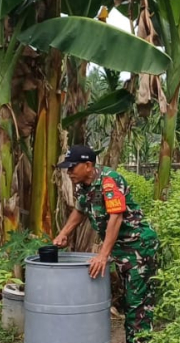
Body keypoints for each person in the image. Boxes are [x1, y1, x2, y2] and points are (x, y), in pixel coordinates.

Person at [53, 145, 159, 343]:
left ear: (88, 165)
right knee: (130, 302)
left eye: (72, 167)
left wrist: (102, 255)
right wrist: (63, 234)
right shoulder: (82, 185)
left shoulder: (109, 181)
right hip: (120, 249)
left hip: (138, 246)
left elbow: (116, 217)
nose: (68, 172)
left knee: (138, 306)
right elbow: (80, 209)